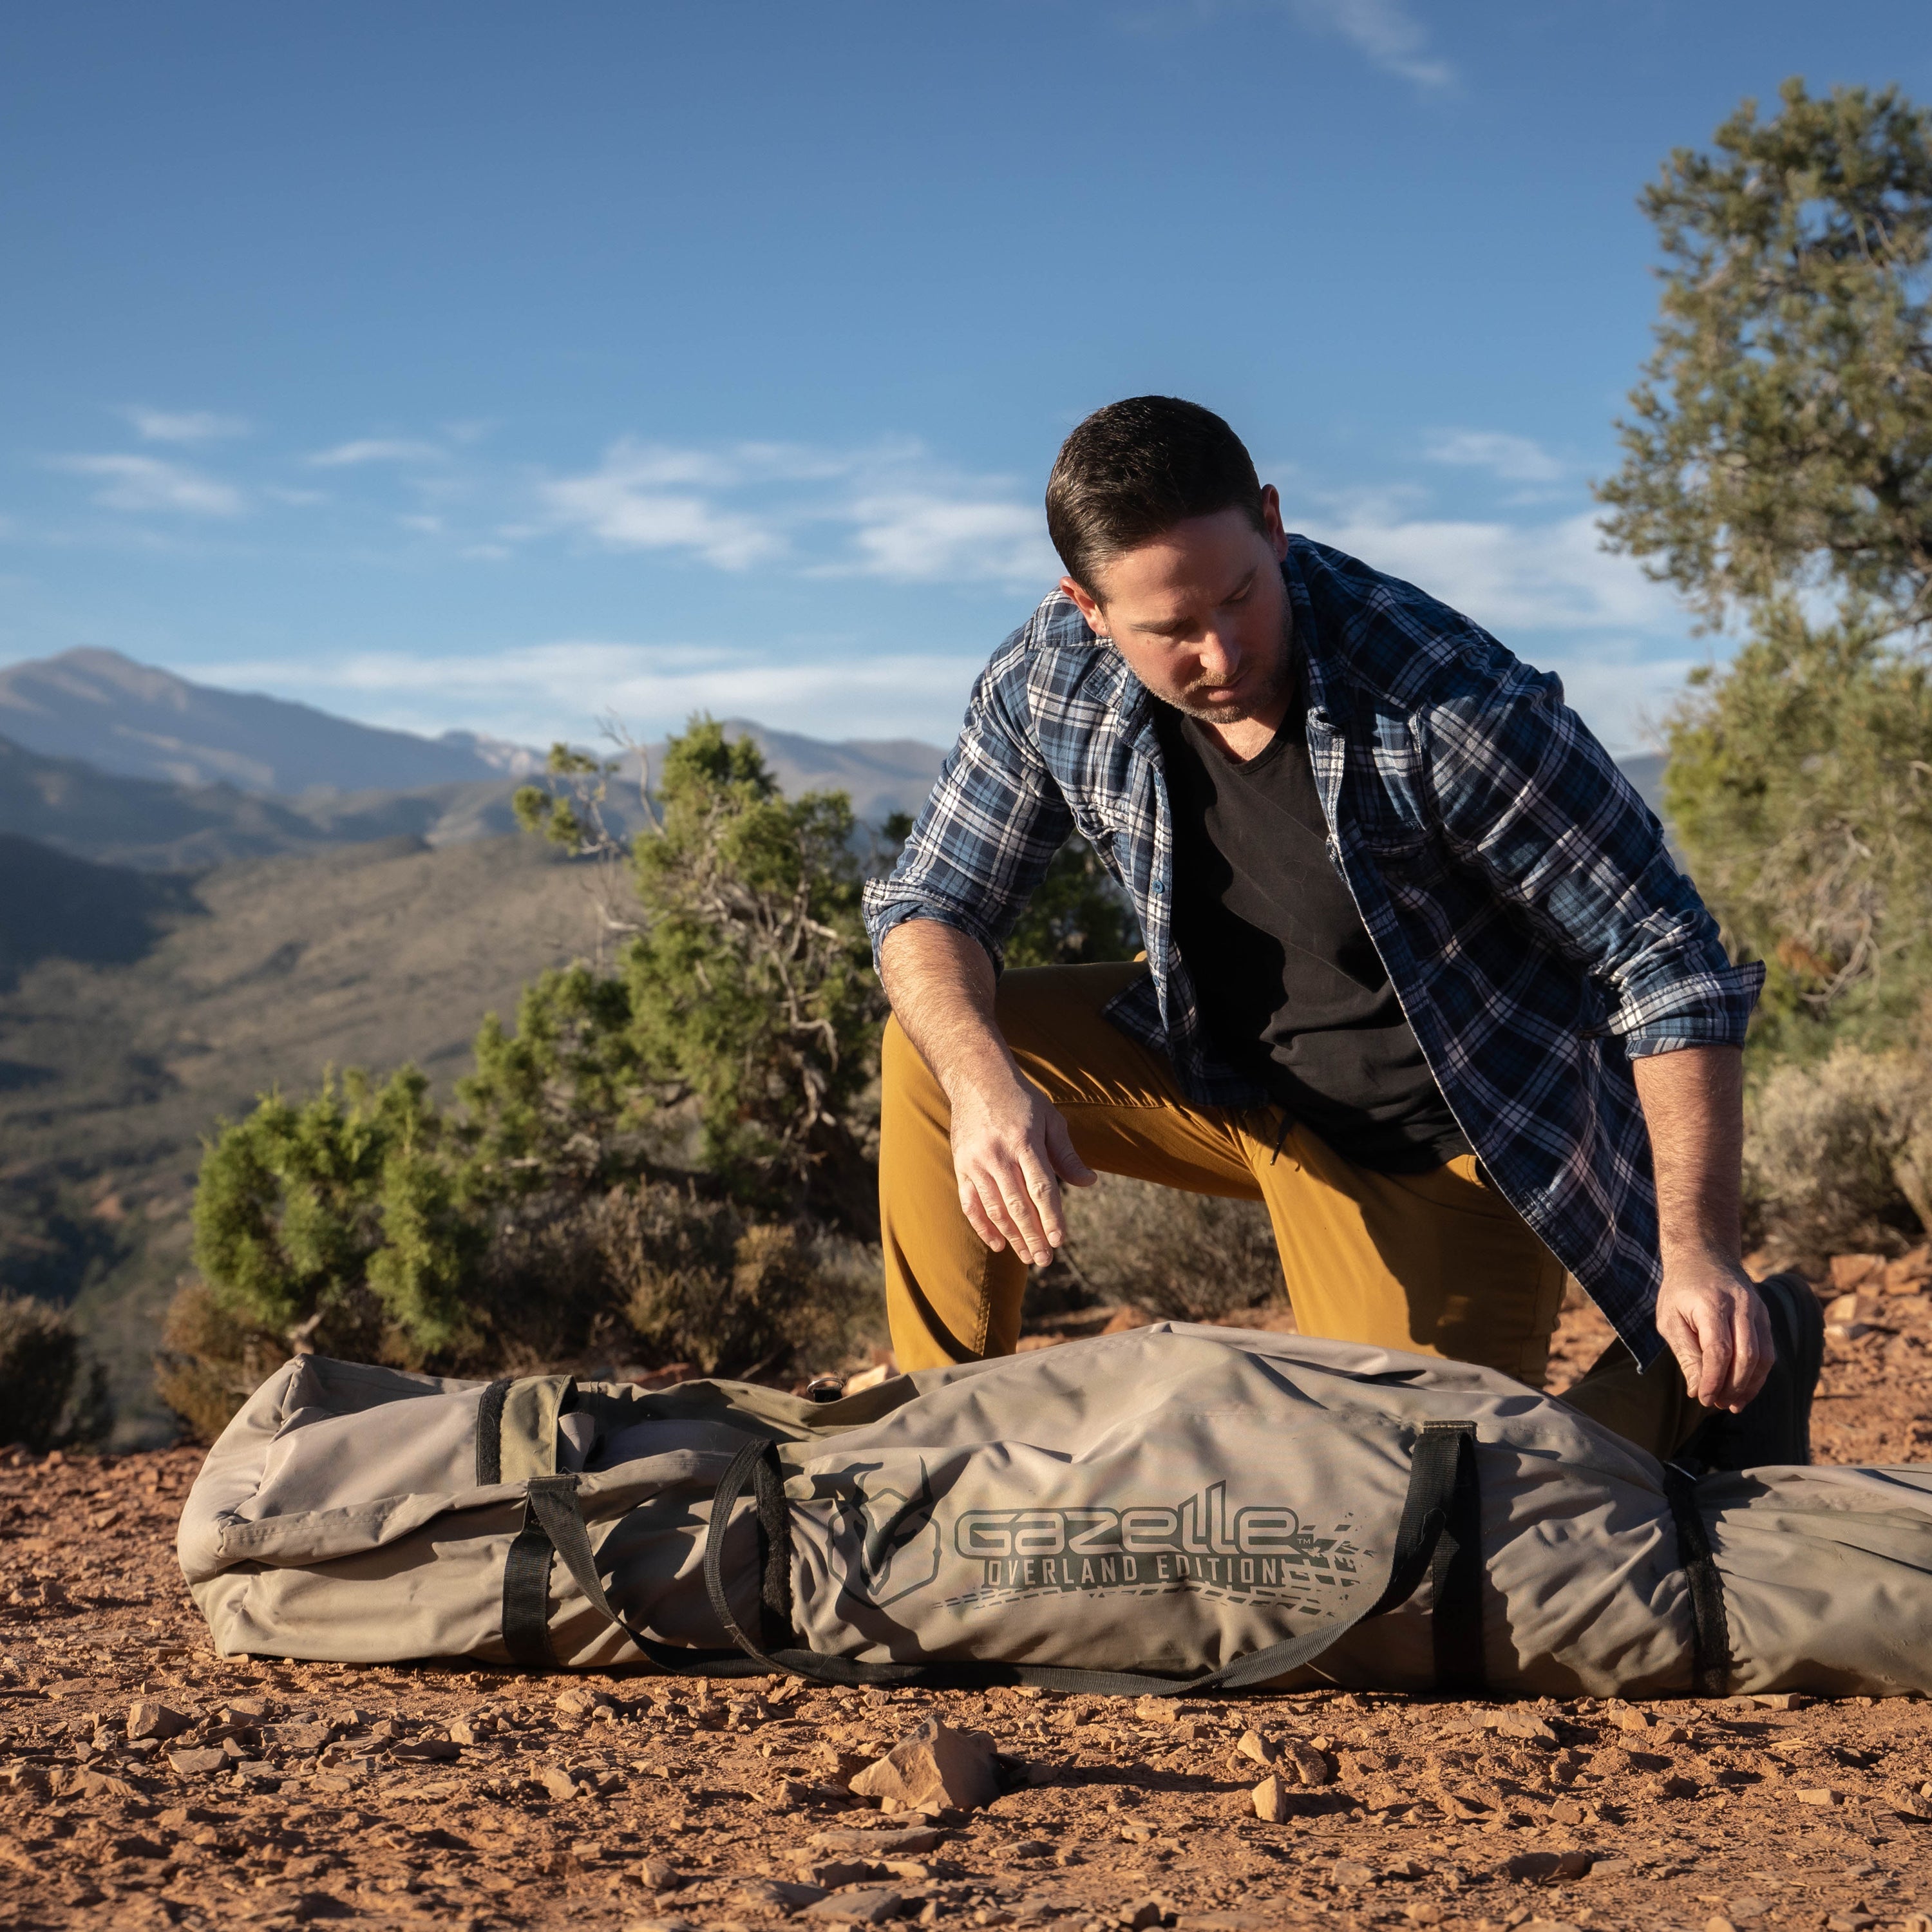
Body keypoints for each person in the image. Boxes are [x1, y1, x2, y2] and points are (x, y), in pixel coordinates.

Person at [862, 395, 1797, 1462]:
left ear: (1272, 523)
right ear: (1090, 609)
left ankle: (1700, 1382)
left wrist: (1701, 1251)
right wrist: (986, 1087)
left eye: (1240, 597)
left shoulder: (1442, 700)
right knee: (939, 1050)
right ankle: (936, 1455)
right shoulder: (1053, 674)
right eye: (1170, 630)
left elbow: (1666, 956)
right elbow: (930, 903)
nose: (1221, 653)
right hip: (1216, 1068)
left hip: (1428, 1141)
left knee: (1419, 1500)